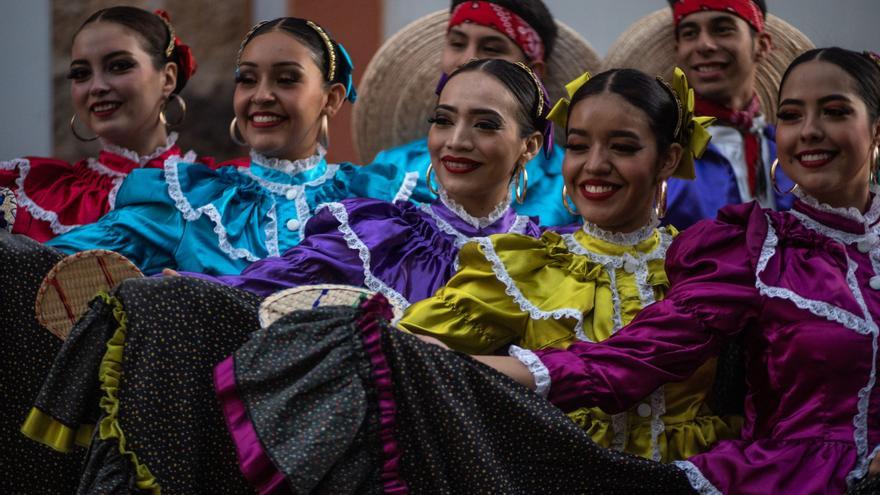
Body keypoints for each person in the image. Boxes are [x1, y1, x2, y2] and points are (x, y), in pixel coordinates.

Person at [482, 47, 880, 493]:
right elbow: (633, 356)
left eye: (834, 112)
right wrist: (449, 369)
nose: (809, 131)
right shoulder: (756, 248)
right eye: (791, 115)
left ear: (876, 130)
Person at [398, 67, 733, 462]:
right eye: (578, 146)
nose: (594, 165)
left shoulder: (702, 266)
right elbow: (405, 354)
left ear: (668, 159)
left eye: (622, 147)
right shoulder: (523, 267)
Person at [45, 17, 414, 276]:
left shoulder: (374, 200)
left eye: (286, 79)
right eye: (247, 79)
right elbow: (56, 264)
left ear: (331, 99)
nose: (262, 96)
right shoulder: (191, 203)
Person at [184, 58, 546, 308]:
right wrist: (179, 288)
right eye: (443, 120)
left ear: (528, 146)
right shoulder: (379, 237)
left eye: (485, 124)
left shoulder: (552, 260)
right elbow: (267, 286)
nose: (456, 141)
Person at [368, 0, 579, 226]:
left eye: (492, 48)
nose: (468, 60)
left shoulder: (572, 185)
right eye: (457, 43)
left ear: (533, 72)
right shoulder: (392, 170)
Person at [0, 6, 203, 242]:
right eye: (80, 73)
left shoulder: (218, 194)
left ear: (168, 78)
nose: (97, 87)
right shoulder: (33, 195)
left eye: (119, 66)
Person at [663, 0, 796, 229]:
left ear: (762, 45)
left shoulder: (792, 149)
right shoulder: (661, 154)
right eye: (689, 33)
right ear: (678, 50)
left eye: (723, 29)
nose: (704, 45)